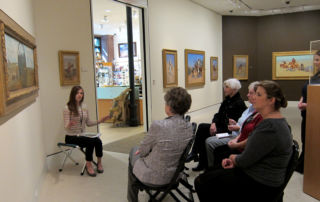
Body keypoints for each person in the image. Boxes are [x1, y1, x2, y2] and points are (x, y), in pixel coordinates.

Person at [194, 80, 293, 202]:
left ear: (271, 100)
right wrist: (235, 159)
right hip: (261, 175)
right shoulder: (274, 122)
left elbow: (245, 159)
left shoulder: (269, 127)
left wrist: (232, 158)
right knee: (212, 171)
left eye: (258, 94)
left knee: (201, 181)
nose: (253, 97)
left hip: (261, 183)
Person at [127, 87, 193, 202]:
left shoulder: (159, 125)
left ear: (169, 106)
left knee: (134, 151)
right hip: (174, 176)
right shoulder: (189, 127)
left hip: (155, 177)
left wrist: (142, 151)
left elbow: (143, 150)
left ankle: (132, 199)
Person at [187, 78, 247, 171]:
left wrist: (223, 126)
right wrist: (213, 123)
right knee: (202, 126)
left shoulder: (239, 103)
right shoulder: (227, 100)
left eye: (227, 87)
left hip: (228, 132)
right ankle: (196, 155)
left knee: (204, 134)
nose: (224, 89)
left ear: (234, 89)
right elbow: (218, 115)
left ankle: (201, 160)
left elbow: (237, 125)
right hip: (220, 127)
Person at [205, 81, 262, 169]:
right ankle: (202, 161)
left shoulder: (241, 104)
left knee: (210, 141)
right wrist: (214, 123)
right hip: (234, 134)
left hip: (232, 134)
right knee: (203, 129)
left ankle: (210, 168)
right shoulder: (230, 102)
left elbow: (251, 136)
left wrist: (236, 135)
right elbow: (218, 115)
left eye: (250, 93)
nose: (247, 95)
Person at [63, 86, 110, 177]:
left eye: (81, 93)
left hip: (82, 134)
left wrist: (100, 121)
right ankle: (89, 165)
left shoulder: (84, 107)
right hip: (71, 137)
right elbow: (66, 127)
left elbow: (88, 123)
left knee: (98, 140)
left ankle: (99, 163)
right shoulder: (67, 108)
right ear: (73, 94)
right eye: (77, 93)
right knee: (90, 142)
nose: (80, 95)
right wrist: (70, 124)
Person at [296, 50, 320, 174]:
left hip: (316, 116)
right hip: (308, 114)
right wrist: (301, 101)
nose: (315, 62)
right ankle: (304, 164)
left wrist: (307, 105)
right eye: (315, 59)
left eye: (318, 59)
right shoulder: (315, 76)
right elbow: (305, 92)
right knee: (306, 139)